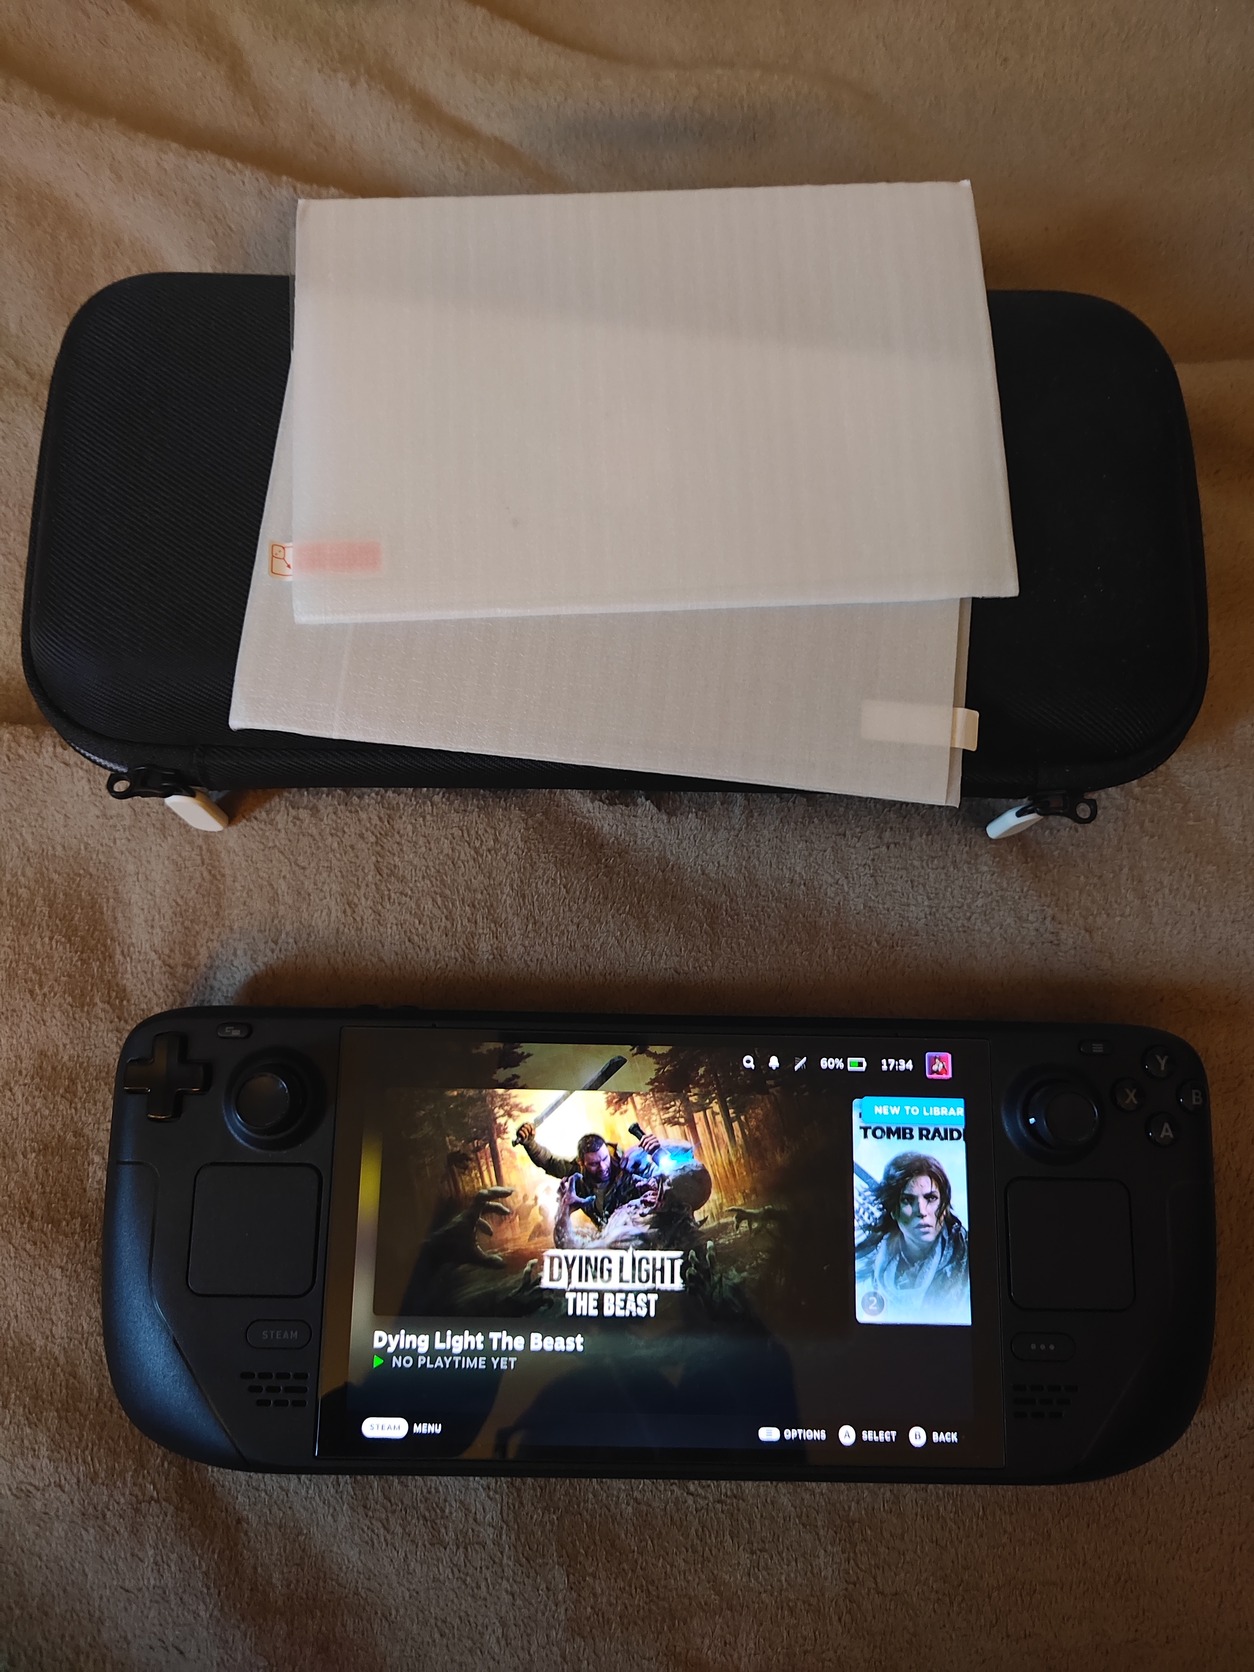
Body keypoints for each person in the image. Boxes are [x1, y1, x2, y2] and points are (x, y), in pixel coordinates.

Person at [854, 1152, 969, 1319]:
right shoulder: (871, 1269)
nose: (921, 1211)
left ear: (944, 1205)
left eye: (931, 1198)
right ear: (894, 1210)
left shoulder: (969, 1261)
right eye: (908, 1200)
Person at [514, 1124, 660, 1230]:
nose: (603, 1167)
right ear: (581, 1162)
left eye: (605, 1159)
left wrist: (657, 1152)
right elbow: (549, 1162)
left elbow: (666, 1177)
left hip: (644, 1230)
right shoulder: (576, 1174)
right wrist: (530, 1144)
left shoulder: (629, 1165)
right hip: (609, 1239)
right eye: (594, 1164)